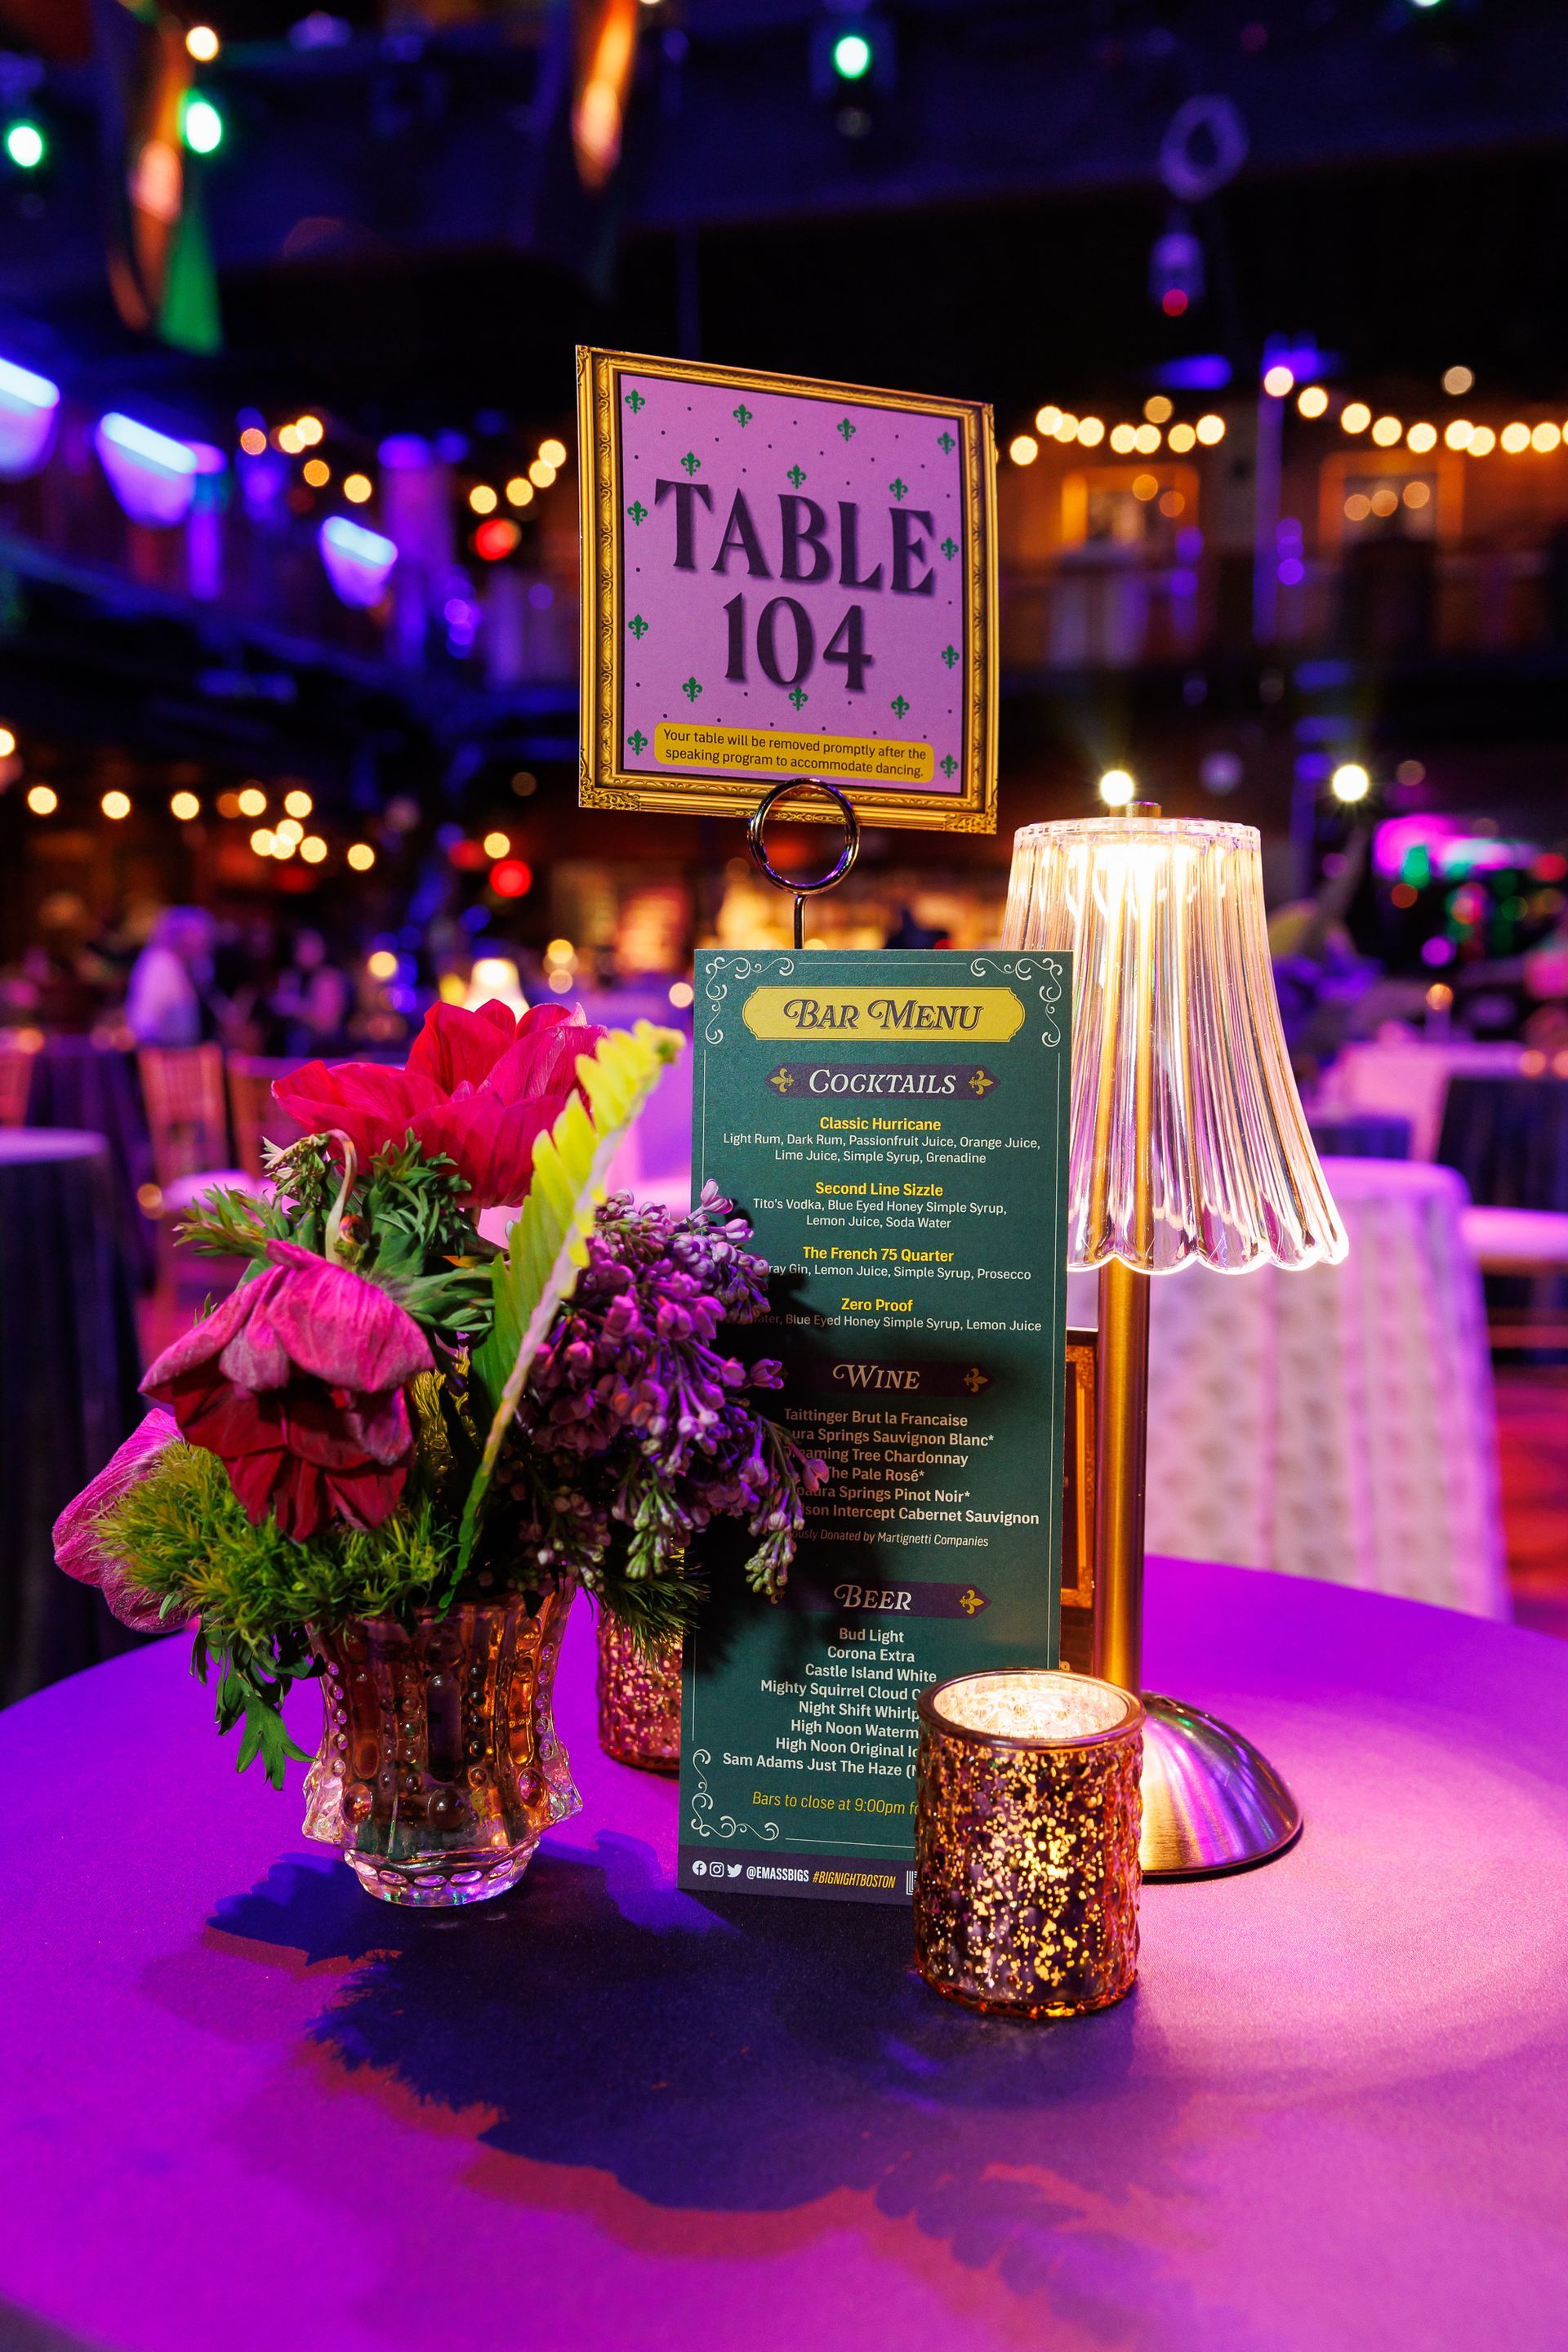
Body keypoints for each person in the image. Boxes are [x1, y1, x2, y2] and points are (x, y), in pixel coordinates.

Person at [125, 906, 216, 1048]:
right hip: (161, 1050)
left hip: (181, 1049)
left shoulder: (188, 965)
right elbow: (145, 1020)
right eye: (197, 936)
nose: (202, 944)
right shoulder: (159, 964)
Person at [271, 928, 353, 1058]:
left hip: (323, 1053)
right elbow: (278, 1008)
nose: (304, 950)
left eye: (310, 945)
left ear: (322, 949)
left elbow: (329, 1025)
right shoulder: (291, 977)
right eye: (300, 945)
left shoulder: (329, 979)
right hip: (289, 1052)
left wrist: (295, 1007)